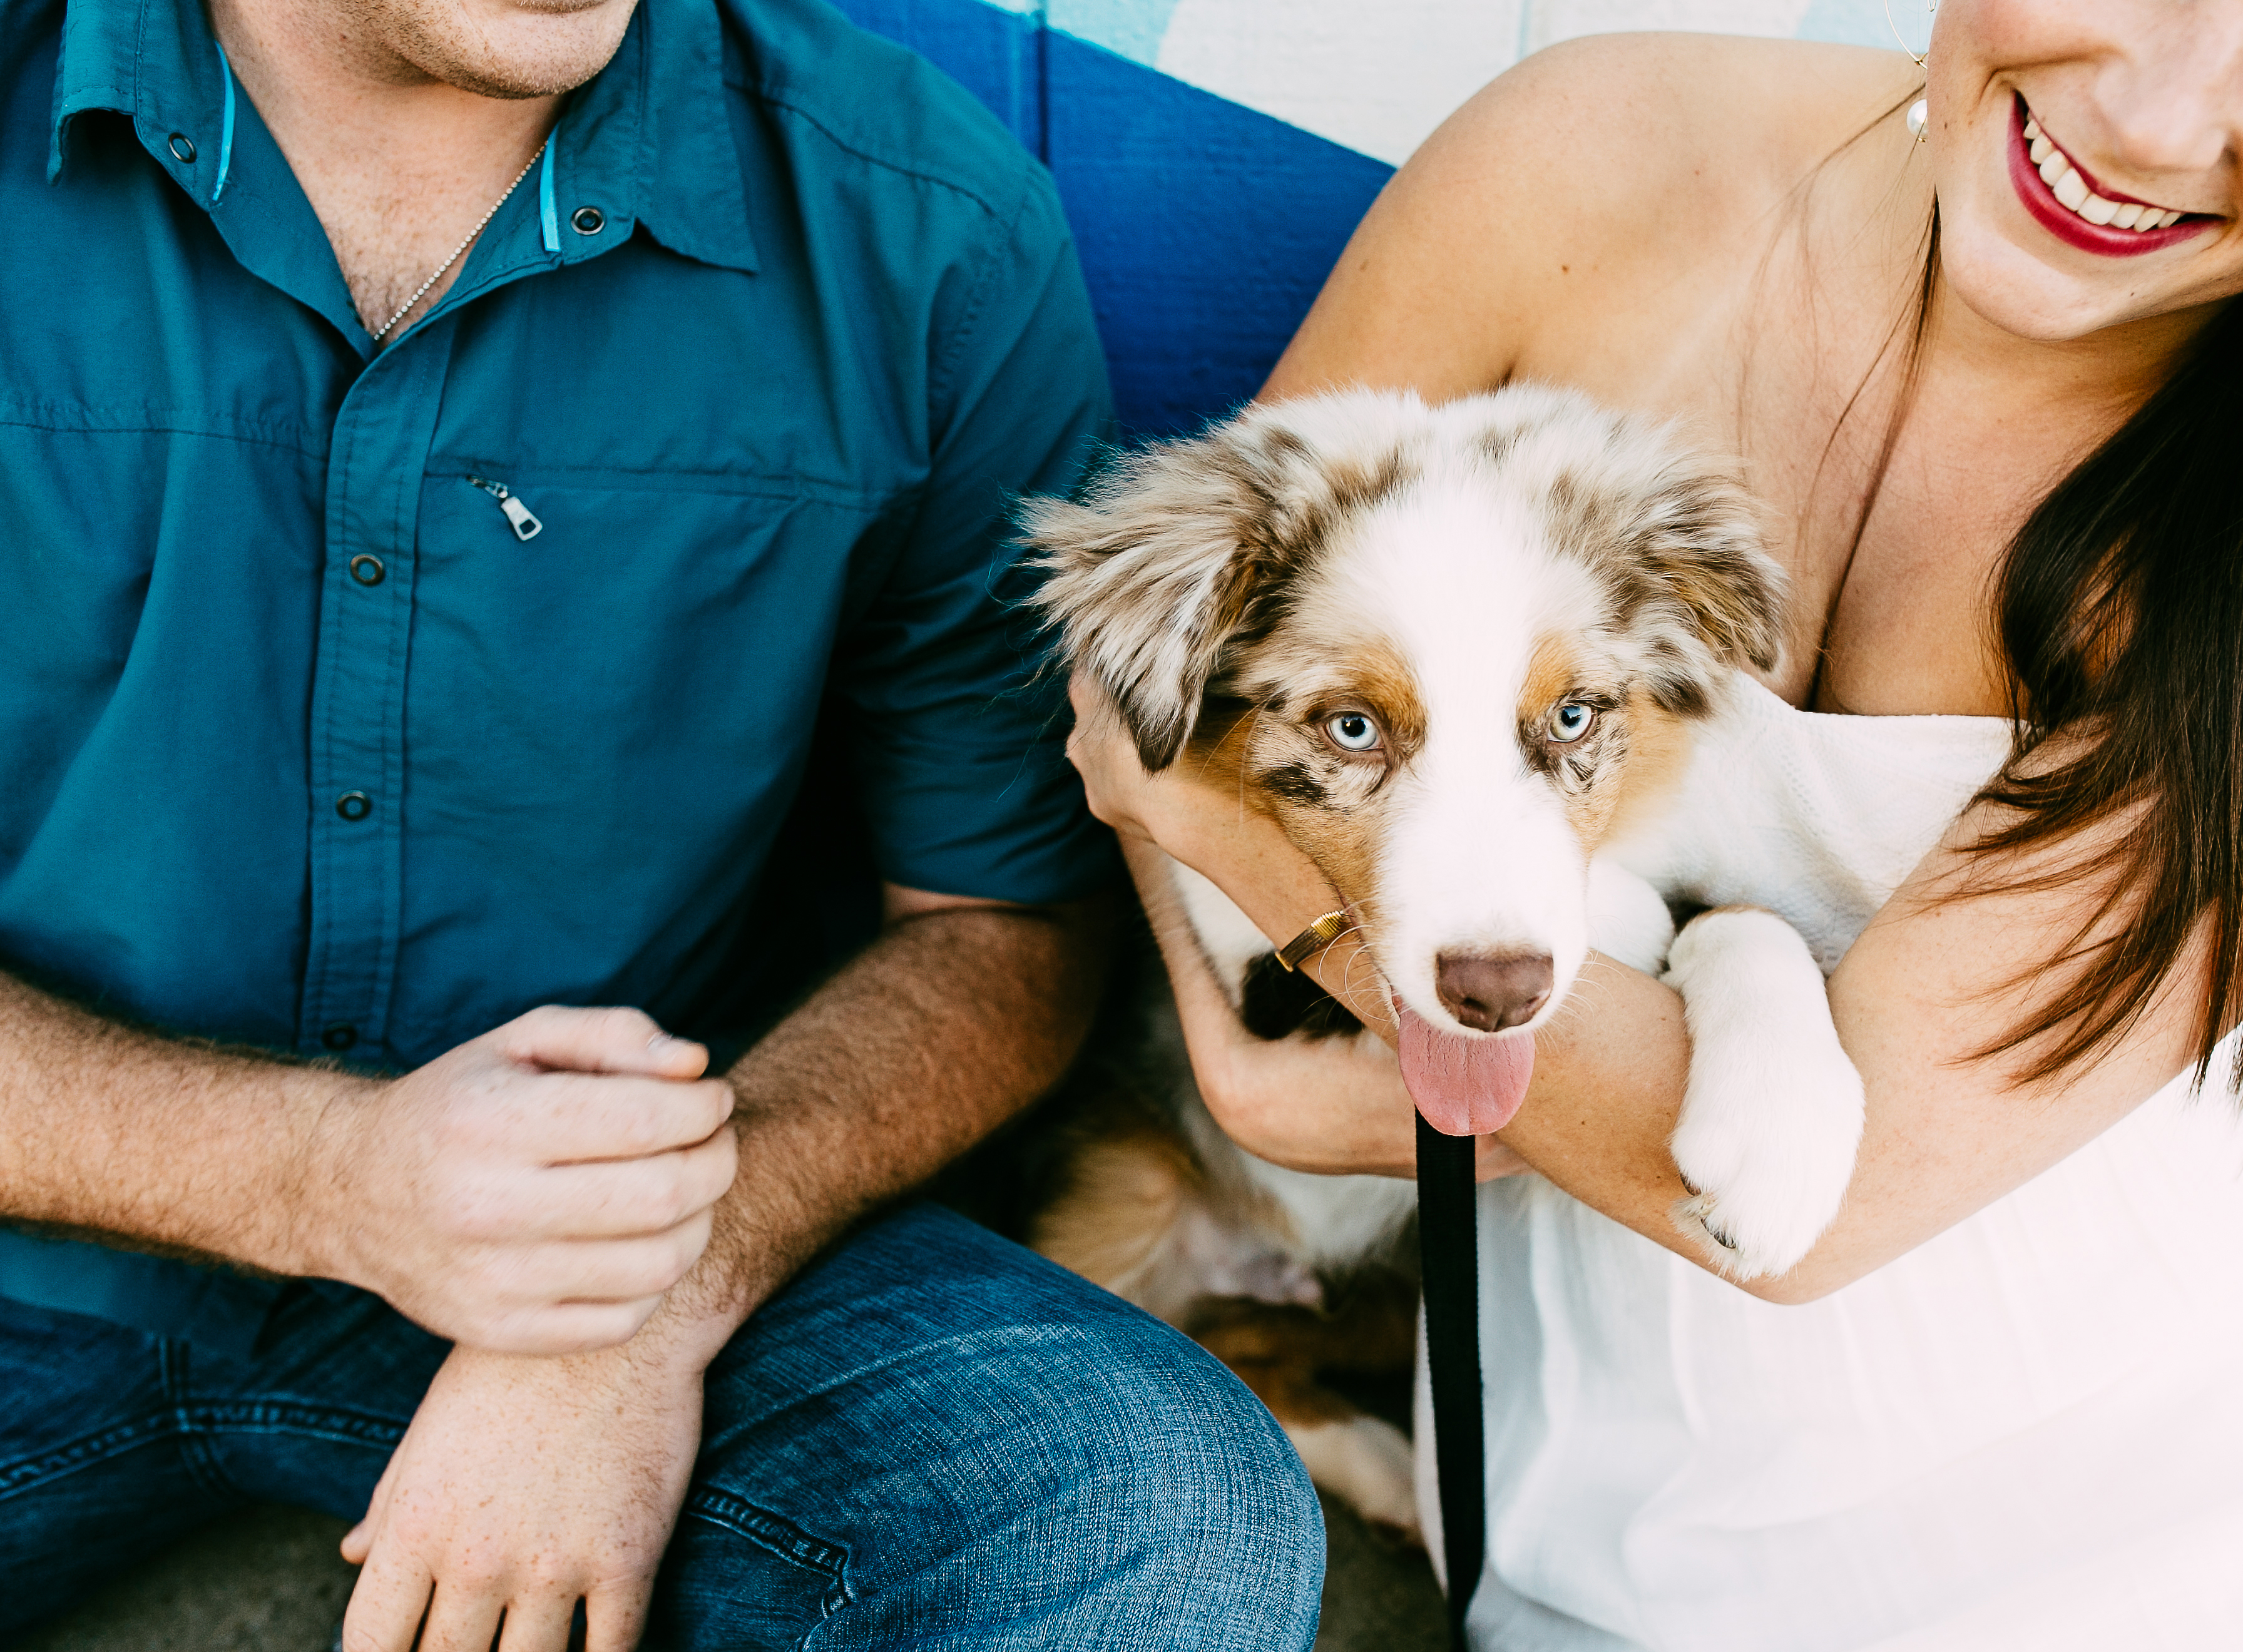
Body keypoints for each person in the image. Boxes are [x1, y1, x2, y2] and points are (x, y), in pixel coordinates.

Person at [1068, 3, 2243, 1646]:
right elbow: (1173, 685)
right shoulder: (1579, 154)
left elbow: (1813, 1204)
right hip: (1577, 1529)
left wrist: (1298, 949)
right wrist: (1235, 1043)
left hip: (2186, 1547)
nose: (2156, 121)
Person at [0, 0, 1326, 1646]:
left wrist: (650, 1287)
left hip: (654, 1207)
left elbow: (1000, 922)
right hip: (34, 1228)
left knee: (1147, 1518)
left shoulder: (922, 227)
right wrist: (328, 1177)